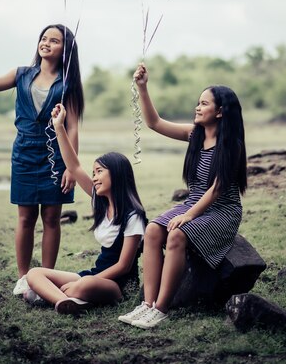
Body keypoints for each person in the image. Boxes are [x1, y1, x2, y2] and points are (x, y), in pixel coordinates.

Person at [119, 63, 247, 329]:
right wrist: (142, 87)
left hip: (223, 210)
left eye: (204, 104)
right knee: (153, 230)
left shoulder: (231, 145)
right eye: (197, 103)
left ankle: (161, 309)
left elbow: (218, 188)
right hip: (194, 202)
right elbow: (154, 122)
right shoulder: (194, 135)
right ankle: (147, 304)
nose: (197, 108)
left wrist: (188, 216)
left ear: (220, 111)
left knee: (177, 234)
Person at [0, 24, 84, 296]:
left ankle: (46, 277)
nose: (46, 43)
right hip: (23, 152)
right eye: (43, 39)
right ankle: (24, 278)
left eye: (54, 41)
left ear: (64, 49)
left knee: (52, 218)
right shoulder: (21, 74)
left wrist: (72, 167)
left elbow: (73, 127)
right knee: (25, 218)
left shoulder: (69, 83)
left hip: (56, 155)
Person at [26, 103, 147, 315]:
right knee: (34, 274)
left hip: (117, 285)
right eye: (93, 172)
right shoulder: (100, 203)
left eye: (99, 171)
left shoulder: (133, 216)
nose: (94, 177)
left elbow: (123, 267)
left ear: (116, 175)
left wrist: (86, 282)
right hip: (94, 275)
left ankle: (65, 296)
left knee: (84, 285)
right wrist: (59, 127)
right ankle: (65, 301)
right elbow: (73, 167)